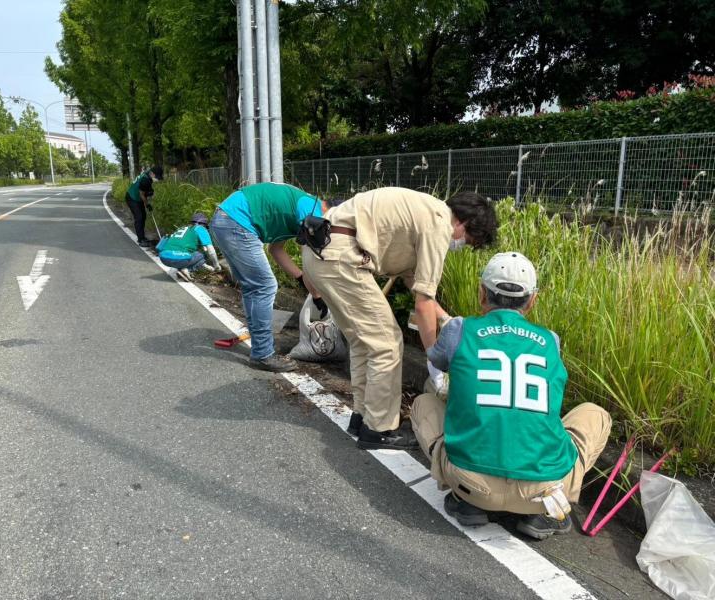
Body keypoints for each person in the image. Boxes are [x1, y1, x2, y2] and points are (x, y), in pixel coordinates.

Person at [410, 252, 612, 540]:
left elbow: (438, 360)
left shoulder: (460, 329)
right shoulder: (550, 340)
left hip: (472, 483)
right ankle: (542, 513)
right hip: (543, 490)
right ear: (532, 300)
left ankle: (466, 502)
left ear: (482, 294)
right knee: (596, 414)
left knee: (424, 403)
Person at [301, 188, 498, 450]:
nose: (462, 246)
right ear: (464, 223)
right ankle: (380, 429)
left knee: (363, 342)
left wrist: (446, 319)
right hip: (342, 258)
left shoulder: (425, 210)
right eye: (469, 240)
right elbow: (424, 301)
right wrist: (435, 359)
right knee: (388, 343)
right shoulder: (439, 223)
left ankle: (362, 417)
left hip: (321, 253)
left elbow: (414, 282)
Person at [209, 182, 330, 373]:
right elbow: (312, 260)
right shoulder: (314, 210)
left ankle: (260, 347)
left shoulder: (300, 207)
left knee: (254, 288)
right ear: (330, 210)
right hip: (236, 222)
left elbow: (276, 249)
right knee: (264, 286)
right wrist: (317, 296)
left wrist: (299, 278)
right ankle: (262, 354)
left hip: (225, 220)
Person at [156, 212, 222, 281]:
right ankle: (187, 269)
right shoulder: (200, 228)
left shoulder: (182, 228)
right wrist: (216, 265)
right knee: (202, 254)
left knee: (187, 254)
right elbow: (211, 251)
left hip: (163, 257)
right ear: (203, 224)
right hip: (179, 258)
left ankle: (183, 269)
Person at [125, 165, 163, 247]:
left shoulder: (147, 175)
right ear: (152, 173)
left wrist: (150, 191)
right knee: (139, 217)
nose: (157, 179)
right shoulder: (145, 180)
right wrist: (147, 204)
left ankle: (142, 237)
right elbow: (142, 194)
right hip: (132, 198)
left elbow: (145, 190)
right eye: (157, 177)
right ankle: (141, 239)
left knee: (143, 216)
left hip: (137, 198)